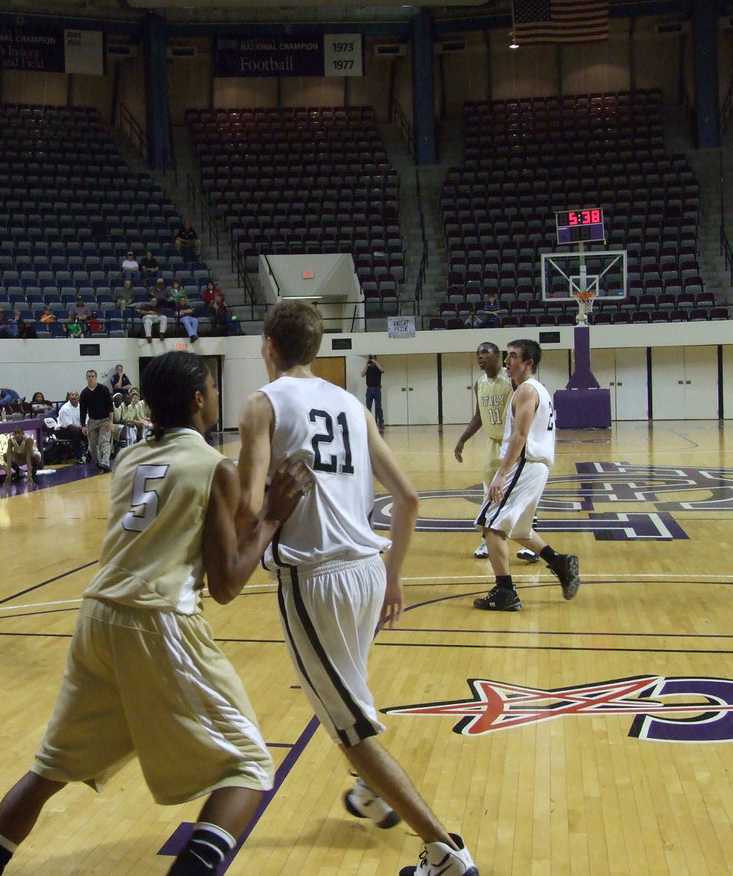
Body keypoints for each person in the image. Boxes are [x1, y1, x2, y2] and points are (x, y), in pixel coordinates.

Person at [0, 350, 314, 876]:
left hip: (98, 617)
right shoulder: (217, 468)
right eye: (214, 389)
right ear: (199, 400)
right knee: (249, 766)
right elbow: (225, 585)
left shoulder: (129, 460)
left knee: (48, 770)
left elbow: (170, 525)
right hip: (159, 619)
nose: (218, 396)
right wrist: (273, 517)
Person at [235, 300, 480, 876]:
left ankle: (446, 852)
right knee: (348, 695)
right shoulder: (351, 402)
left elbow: (250, 509)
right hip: (368, 571)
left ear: (268, 345)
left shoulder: (261, 404)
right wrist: (393, 575)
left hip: (314, 577)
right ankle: (371, 796)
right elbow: (410, 497)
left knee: (347, 727)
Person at [474, 339, 580, 614]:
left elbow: (520, 436)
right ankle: (559, 563)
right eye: (506, 356)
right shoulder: (539, 390)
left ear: (528, 363)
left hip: (525, 463)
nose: (507, 361)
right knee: (520, 529)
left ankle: (505, 591)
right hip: (537, 466)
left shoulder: (525, 391)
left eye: (513, 356)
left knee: (491, 526)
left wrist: (500, 474)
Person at [453, 342, 514, 560]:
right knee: (489, 493)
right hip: (492, 443)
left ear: (498, 356)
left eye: (485, 352)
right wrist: (462, 440)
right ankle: (486, 541)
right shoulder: (480, 383)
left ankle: (528, 542)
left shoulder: (511, 381)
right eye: (477, 353)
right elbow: (478, 417)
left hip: (513, 443)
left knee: (518, 493)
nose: (480, 356)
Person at [79, 368, 114, 472]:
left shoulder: (104, 389)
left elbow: (110, 407)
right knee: (93, 445)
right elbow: (82, 410)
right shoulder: (84, 393)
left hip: (104, 419)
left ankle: (105, 463)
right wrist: (83, 425)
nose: (91, 378)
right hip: (92, 420)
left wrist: (111, 421)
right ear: (86, 378)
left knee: (104, 441)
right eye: (89, 376)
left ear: (96, 377)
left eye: (92, 376)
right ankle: (97, 463)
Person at [55, 390, 85, 462]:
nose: (74, 396)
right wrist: (82, 428)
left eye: (76, 395)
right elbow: (69, 425)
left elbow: (85, 419)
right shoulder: (65, 408)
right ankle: (78, 456)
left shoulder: (81, 407)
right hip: (62, 430)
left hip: (77, 428)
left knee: (91, 431)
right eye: (72, 395)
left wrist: (86, 427)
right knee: (76, 432)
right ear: (69, 397)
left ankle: (90, 454)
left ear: (79, 398)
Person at [362, 355, 385, 430]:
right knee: (368, 407)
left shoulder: (378, 367)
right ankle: (368, 423)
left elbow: (382, 370)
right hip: (369, 389)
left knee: (378, 407)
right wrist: (366, 365)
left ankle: (380, 422)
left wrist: (376, 362)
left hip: (377, 389)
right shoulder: (368, 368)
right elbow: (362, 374)